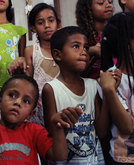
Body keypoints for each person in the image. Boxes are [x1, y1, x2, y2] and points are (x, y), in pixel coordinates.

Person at [0, 73, 83, 165]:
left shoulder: (35, 131)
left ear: (31, 114)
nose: (18, 102)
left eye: (26, 101)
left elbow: (59, 155)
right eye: (12, 95)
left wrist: (58, 127)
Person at [43, 26, 107, 165]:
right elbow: (51, 133)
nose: (84, 52)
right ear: (58, 55)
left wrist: (108, 92)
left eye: (86, 47)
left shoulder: (92, 85)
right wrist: (60, 121)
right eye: (76, 46)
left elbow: (101, 131)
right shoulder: (51, 89)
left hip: (94, 160)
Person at [95, 12, 134, 164]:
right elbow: (125, 127)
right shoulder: (110, 79)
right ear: (127, 43)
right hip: (123, 159)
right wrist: (109, 90)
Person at [24, 3, 60, 127]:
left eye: (51, 20)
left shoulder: (66, 51)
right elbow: (28, 82)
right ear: (33, 28)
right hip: (39, 110)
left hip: (62, 105)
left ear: (58, 24)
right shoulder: (31, 51)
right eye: (40, 22)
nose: (47, 25)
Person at [75, 0, 113, 79]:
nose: (108, 5)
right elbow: (77, 75)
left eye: (110, 2)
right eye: (101, 3)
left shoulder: (115, 32)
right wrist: (91, 52)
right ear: (87, 9)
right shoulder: (80, 37)